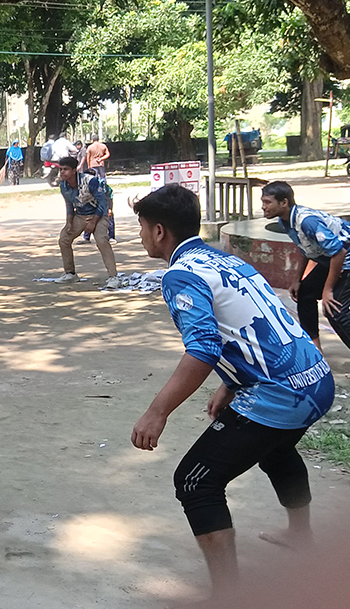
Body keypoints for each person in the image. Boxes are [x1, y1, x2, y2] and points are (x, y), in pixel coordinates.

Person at [130, 184, 333, 600]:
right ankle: (300, 535)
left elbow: (202, 349)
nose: (140, 235)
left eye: (141, 227)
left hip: (281, 394)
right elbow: (252, 323)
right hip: (316, 378)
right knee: (275, 448)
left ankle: (229, 594)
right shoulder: (224, 259)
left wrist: (157, 411)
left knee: (194, 482)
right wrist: (229, 383)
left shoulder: (180, 275)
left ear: (160, 231)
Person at [260, 181, 350, 379]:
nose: (263, 206)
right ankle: (316, 349)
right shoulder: (286, 220)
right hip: (335, 257)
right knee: (305, 292)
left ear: (284, 202)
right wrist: (297, 280)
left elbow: (339, 253)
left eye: (267, 202)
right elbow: (305, 247)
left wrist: (328, 290)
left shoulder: (307, 221)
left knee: (336, 310)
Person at [52, 156, 121, 288]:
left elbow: (103, 203)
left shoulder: (91, 181)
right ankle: (70, 273)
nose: (62, 173)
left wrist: (93, 223)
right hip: (81, 215)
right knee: (64, 239)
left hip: (99, 214)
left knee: (102, 241)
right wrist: (69, 222)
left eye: (65, 169)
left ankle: (113, 277)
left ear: (74, 170)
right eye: (60, 169)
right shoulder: (64, 185)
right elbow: (69, 205)